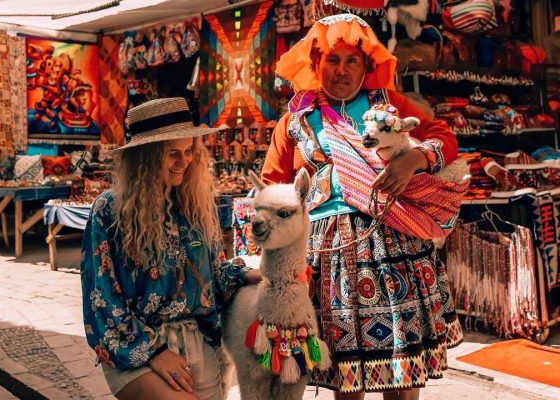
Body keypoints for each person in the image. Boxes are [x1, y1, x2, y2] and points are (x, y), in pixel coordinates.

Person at [262, 14, 464, 400]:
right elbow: (273, 189)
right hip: (328, 258)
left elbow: (443, 136)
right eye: (332, 60)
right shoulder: (294, 123)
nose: (341, 70)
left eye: (351, 60)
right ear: (316, 64)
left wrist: (413, 160)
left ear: (367, 65)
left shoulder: (389, 106)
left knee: (404, 371)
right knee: (347, 376)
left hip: (396, 245)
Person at [81, 97, 261, 400]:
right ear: (145, 158)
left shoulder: (194, 204)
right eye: (172, 153)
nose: (185, 161)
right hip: (133, 345)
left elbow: (213, 273)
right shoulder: (109, 210)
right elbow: (101, 299)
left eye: (190, 151)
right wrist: (152, 351)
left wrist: (253, 274)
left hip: (198, 341)